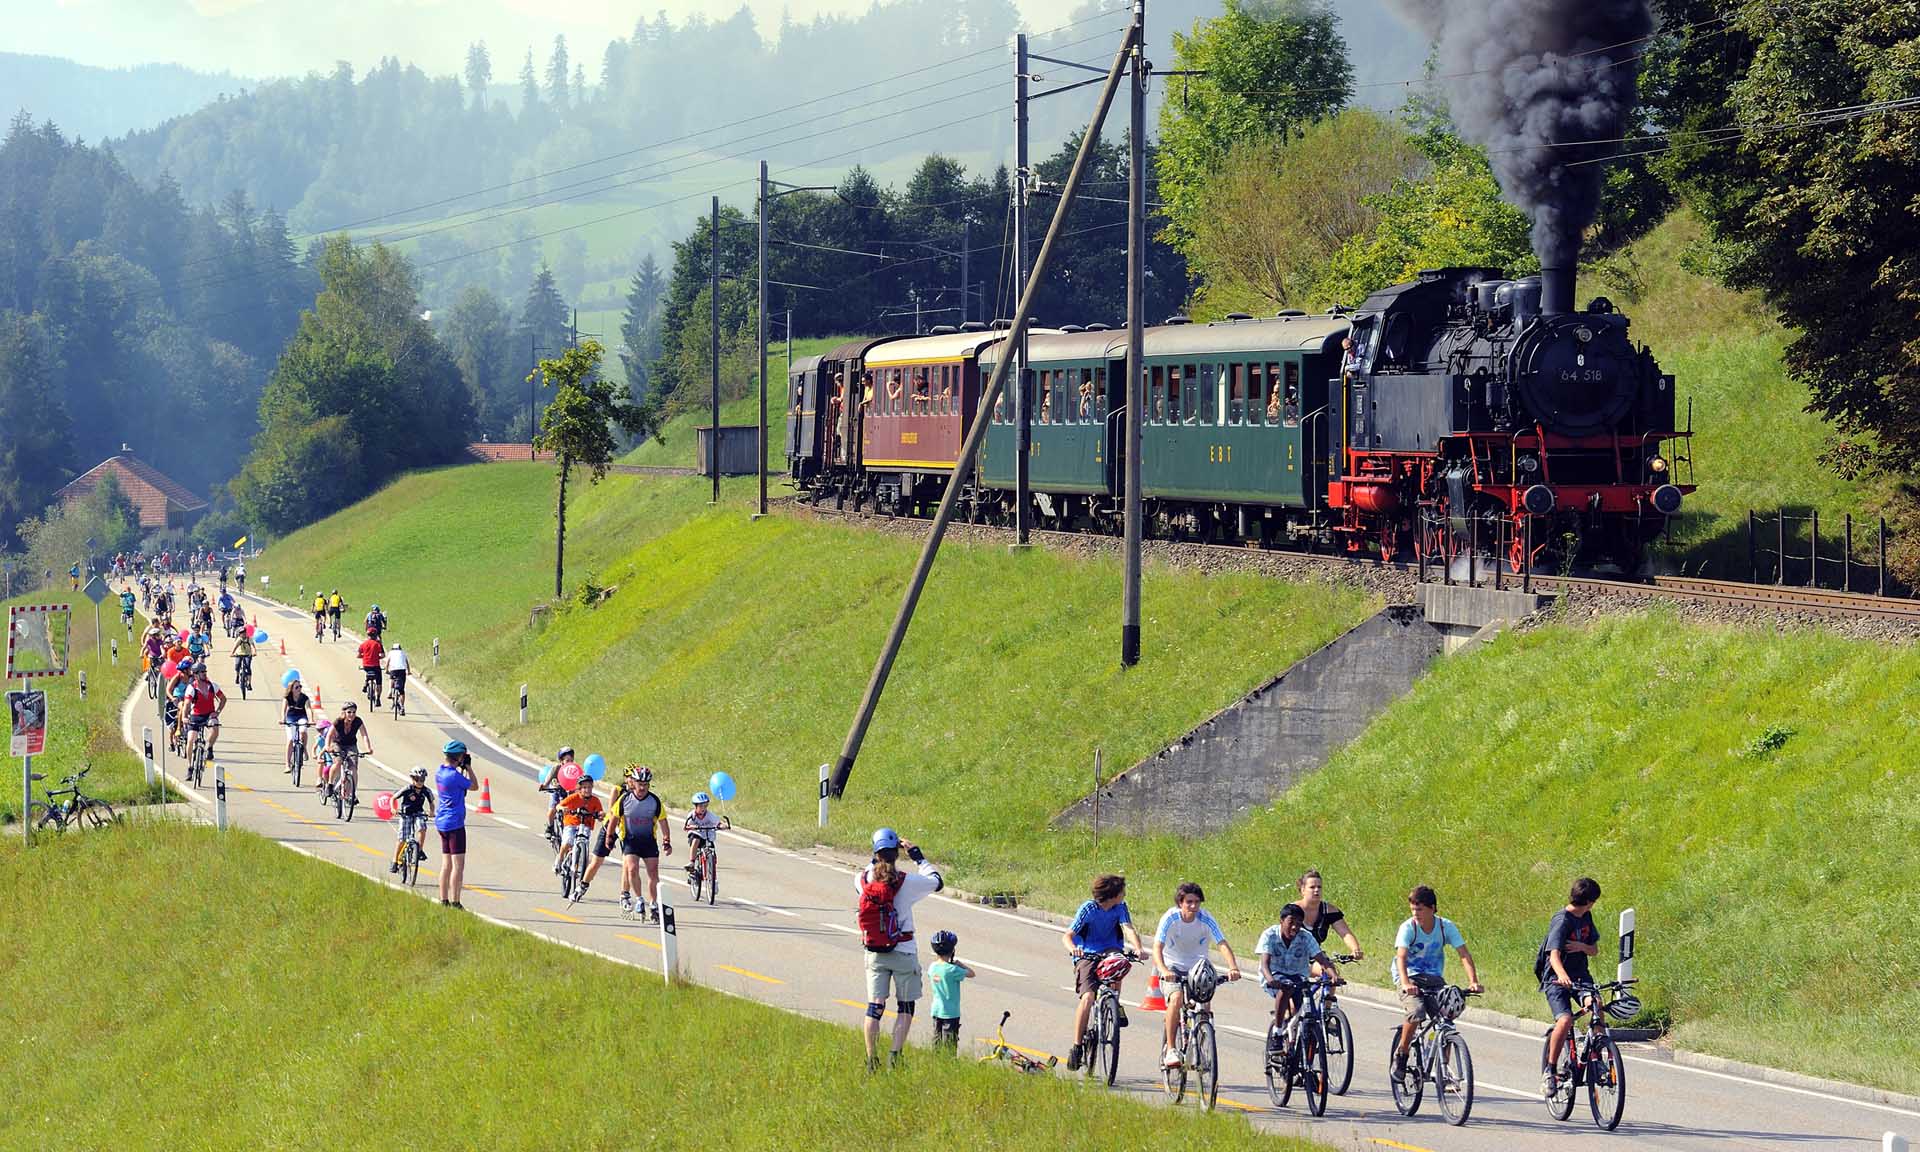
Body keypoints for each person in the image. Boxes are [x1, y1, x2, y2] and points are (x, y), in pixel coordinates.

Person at [854, 828, 943, 1071]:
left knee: (875, 1006)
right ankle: (895, 1057)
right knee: (905, 1007)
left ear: (875, 852)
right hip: (903, 950)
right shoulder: (908, 882)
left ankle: (872, 1059)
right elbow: (937, 882)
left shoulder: (861, 879)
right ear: (897, 854)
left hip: (874, 951)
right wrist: (917, 856)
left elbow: (870, 871)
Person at [1390, 885, 1484, 1081]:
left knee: (1446, 1019)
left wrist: (1473, 981)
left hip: (1433, 978)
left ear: (1432, 908)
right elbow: (1401, 957)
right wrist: (1406, 983)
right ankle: (1402, 1054)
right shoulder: (1408, 928)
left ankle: (1443, 1072)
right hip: (1410, 975)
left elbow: (1464, 955)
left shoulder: (1445, 927)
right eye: (1413, 909)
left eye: (1420, 909)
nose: (1415, 913)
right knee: (1416, 1012)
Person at [1152, 882, 1243, 1068]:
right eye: (1189, 902)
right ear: (1180, 903)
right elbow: (1157, 947)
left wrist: (1233, 967)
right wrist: (1163, 970)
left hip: (1198, 968)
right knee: (1176, 999)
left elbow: (1222, 943)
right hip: (1173, 967)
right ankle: (1170, 1050)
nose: (1194, 907)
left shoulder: (1205, 918)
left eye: (1197, 902)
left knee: (1204, 1007)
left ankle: (1201, 1043)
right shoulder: (1170, 918)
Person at [1063, 872, 1143, 1071]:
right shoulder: (1088, 909)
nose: (1124, 895)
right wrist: (1073, 948)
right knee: (1088, 998)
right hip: (1087, 952)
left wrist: (1138, 948)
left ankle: (1115, 1000)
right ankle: (1077, 1046)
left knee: (1119, 962)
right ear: (1113, 894)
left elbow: (1128, 928)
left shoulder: (1120, 908)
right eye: (1122, 892)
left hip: (1110, 949)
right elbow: (1068, 935)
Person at [1539, 877, 1603, 1094]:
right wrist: (1563, 976)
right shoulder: (1562, 920)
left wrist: (1582, 946)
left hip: (1580, 976)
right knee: (1565, 1019)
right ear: (1590, 901)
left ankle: (1599, 1055)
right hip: (1556, 979)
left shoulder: (1586, 917)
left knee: (1596, 1003)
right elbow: (1553, 955)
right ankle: (1550, 1071)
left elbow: (1594, 950)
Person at [586, 765, 669, 917]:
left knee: (653, 873)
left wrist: (666, 840)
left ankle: (653, 904)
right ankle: (638, 899)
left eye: (645, 784)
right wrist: (609, 837)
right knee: (631, 869)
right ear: (634, 783)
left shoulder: (654, 801)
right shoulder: (625, 799)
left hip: (649, 841)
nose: (642, 787)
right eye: (640, 784)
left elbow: (663, 821)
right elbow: (613, 818)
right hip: (630, 840)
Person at [1257, 903, 1335, 1053]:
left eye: (1299, 924)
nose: (1295, 927)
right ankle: (1278, 1034)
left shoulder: (1305, 937)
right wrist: (1270, 979)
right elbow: (1265, 964)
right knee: (1285, 989)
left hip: (1298, 976)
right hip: (1275, 974)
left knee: (1308, 1012)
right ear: (1281, 921)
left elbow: (1322, 960)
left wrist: (1334, 975)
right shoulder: (1270, 935)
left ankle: (1305, 1054)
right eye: (1291, 922)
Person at [1296, 869, 1364, 981]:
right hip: (1291, 958)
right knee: (1292, 994)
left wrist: (1355, 949)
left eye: (1319, 887)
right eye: (1312, 887)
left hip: (1314, 957)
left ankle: (1328, 998)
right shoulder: (1292, 910)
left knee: (1330, 973)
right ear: (1303, 890)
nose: (1316, 890)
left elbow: (1345, 933)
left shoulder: (1329, 910)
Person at [434, 740, 477, 907]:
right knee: (458, 865)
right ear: (459, 756)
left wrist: (461, 766)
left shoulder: (440, 772)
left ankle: (443, 899)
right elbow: (474, 786)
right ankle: (455, 901)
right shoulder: (455, 776)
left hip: (442, 821)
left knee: (446, 864)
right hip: (455, 823)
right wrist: (469, 768)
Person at [552, 774, 605, 885]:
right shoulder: (574, 797)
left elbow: (600, 813)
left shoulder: (595, 800)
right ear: (579, 789)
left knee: (584, 842)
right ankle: (560, 858)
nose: (587, 790)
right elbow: (559, 806)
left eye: (589, 787)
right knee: (567, 841)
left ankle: (581, 863)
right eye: (584, 787)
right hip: (571, 823)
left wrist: (601, 815)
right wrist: (563, 808)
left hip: (586, 825)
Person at [927, 930, 972, 1053]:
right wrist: (960, 964)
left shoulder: (932, 967)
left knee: (936, 1040)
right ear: (952, 950)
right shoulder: (952, 970)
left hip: (936, 1010)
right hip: (951, 1013)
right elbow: (971, 974)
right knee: (949, 1045)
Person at [390, 767, 436, 873]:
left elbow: (431, 803)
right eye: (417, 779)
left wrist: (432, 812)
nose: (419, 782)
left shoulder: (426, 791)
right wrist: (393, 808)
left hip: (419, 813)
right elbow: (393, 798)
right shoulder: (407, 789)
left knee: (422, 827)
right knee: (402, 838)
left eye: (422, 779)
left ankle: (419, 850)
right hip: (405, 814)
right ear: (412, 778)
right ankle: (395, 861)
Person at [681, 790, 729, 882]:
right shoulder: (692, 815)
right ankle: (691, 862)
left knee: (712, 853)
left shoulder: (709, 815)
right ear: (695, 806)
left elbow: (718, 823)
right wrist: (693, 827)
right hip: (696, 834)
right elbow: (686, 826)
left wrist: (723, 826)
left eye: (705, 806)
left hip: (707, 836)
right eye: (701, 806)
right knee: (696, 840)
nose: (703, 808)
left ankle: (713, 878)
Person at [181, 665, 227, 758]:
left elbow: (223, 699)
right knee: (190, 740)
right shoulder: (191, 688)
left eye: (205, 671)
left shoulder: (212, 686)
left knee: (215, 728)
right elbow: (187, 704)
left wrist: (217, 712)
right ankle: (190, 767)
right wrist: (184, 717)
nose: (204, 673)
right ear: (196, 675)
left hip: (209, 715)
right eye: (202, 672)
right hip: (196, 716)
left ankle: (209, 747)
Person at [538, 747, 577, 841]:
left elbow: (579, 780)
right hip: (557, 790)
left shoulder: (574, 769)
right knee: (552, 810)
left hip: (569, 792)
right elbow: (548, 779)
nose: (569, 762)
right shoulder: (556, 768)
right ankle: (550, 827)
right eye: (567, 760)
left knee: (574, 810)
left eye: (571, 760)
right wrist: (544, 785)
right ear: (561, 761)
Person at [282, 676, 311, 773]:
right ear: (291, 689)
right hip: (291, 718)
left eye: (300, 687)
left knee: (303, 731)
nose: (299, 689)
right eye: (296, 687)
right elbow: (284, 710)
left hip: (302, 717)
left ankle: (304, 748)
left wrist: (311, 719)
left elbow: (308, 709)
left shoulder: (304, 698)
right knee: (290, 739)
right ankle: (287, 764)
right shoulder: (287, 698)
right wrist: (283, 719)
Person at [357, 632, 385, 706]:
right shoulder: (378, 644)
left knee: (368, 672)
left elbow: (358, 655)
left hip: (366, 665)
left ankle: (366, 683)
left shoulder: (363, 644)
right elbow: (383, 655)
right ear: (375, 636)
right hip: (376, 665)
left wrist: (364, 656)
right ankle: (378, 698)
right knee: (379, 682)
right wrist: (377, 657)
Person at [385, 643, 409, 714]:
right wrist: (409, 671)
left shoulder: (391, 653)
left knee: (392, 679)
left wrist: (386, 670)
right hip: (402, 670)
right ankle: (402, 706)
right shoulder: (403, 652)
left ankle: (390, 691)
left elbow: (388, 662)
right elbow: (407, 662)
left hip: (393, 670)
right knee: (401, 690)